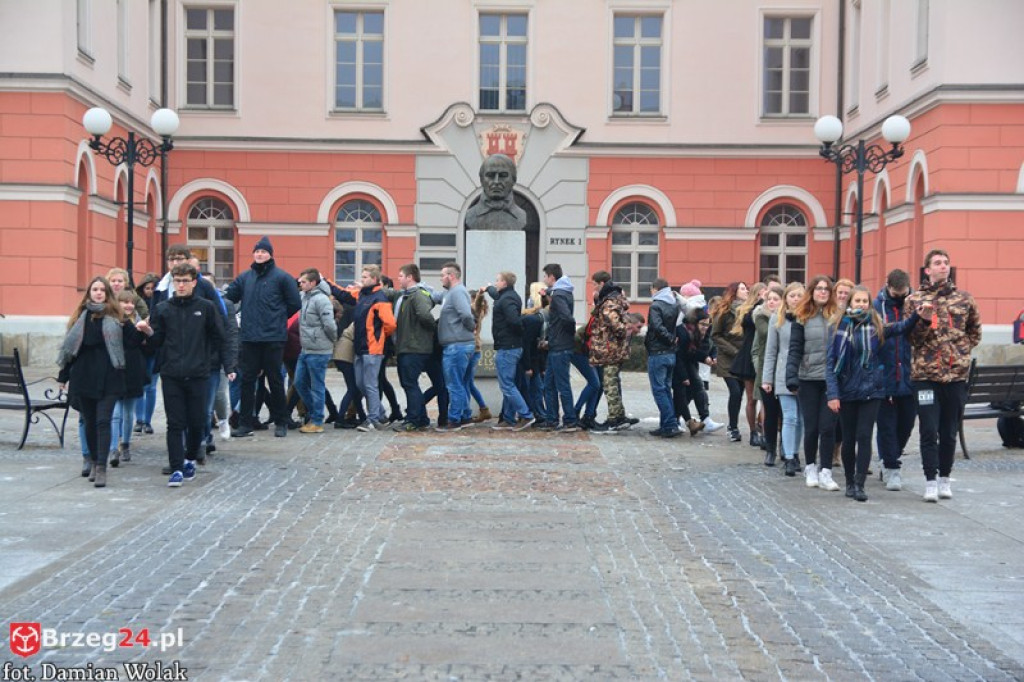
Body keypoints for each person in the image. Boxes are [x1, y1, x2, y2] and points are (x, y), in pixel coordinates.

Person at [138, 263, 235, 487]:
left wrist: (226, 365)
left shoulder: (207, 308)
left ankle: (190, 457)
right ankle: (177, 468)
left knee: (198, 421)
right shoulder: (163, 309)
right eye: (177, 281)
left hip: (199, 373)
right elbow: (156, 343)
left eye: (185, 281)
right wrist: (146, 332)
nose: (181, 285)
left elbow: (220, 338)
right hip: (171, 374)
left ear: (193, 282)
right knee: (175, 423)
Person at [827, 285, 924, 501]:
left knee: (864, 436)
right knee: (849, 438)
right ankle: (850, 482)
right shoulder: (838, 327)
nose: (861, 304)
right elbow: (830, 363)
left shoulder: (876, 326)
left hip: (872, 390)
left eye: (864, 301)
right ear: (850, 303)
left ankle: (860, 484)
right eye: (857, 301)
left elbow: (901, 327)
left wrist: (918, 314)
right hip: (847, 390)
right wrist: (832, 394)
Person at [905, 249, 982, 502]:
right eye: (937, 263)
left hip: (955, 376)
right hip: (925, 376)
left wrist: (960, 351)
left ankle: (944, 479)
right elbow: (912, 339)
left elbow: (975, 333)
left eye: (946, 263)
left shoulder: (965, 299)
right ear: (927, 270)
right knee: (928, 430)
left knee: (949, 431)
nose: (943, 266)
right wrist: (924, 321)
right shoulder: (914, 300)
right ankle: (929, 481)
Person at [57, 277, 132, 488]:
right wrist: (63, 377)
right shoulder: (80, 318)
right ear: (89, 293)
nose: (98, 293)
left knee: (103, 420)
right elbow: (70, 350)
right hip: (84, 375)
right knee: (89, 422)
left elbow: (133, 342)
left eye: (102, 290)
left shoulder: (117, 317)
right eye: (95, 289)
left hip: (110, 375)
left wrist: (134, 326)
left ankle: (101, 467)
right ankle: (91, 459)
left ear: (107, 293)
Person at [224, 236, 301, 438]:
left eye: (263, 252)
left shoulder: (282, 277)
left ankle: (281, 421)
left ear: (270, 254)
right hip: (249, 337)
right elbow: (229, 297)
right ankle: (245, 423)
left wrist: (277, 318)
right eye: (257, 251)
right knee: (248, 381)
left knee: (275, 380)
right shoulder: (245, 278)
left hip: (273, 337)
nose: (260, 254)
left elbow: (294, 304)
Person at [786, 275, 841, 491]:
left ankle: (826, 470)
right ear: (812, 291)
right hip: (807, 379)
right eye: (818, 289)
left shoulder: (837, 316)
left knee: (828, 428)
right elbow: (795, 349)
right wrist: (791, 376)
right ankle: (810, 466)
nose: (822, 292)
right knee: (811, 428)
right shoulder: (801, 317)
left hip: (831, 380)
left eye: (826, 289)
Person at [874, 269, 916, 490]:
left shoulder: (915, 304)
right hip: (885, 375)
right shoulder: (877, 307)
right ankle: (892, 467)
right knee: (886, 426)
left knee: (907, 424)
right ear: (887, 286)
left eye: (904, 292)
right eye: (896, 292)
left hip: (910, 376)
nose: (900, 296)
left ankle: (889, 458)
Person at [390, 263, 441, 432]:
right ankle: (422, 418)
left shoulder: (418, 295)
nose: (398, 279)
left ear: (409, 277)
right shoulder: (405, 295)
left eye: (400, 276)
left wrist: (428, 331)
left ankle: (413, 419)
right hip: (409, 346)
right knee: (410, 384)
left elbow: (425, 315)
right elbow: (390, 293)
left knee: (410, 384)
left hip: (414, 347)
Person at [762, 282, 806, 477]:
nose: (795, 299)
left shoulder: (809, 318)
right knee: (790, 417)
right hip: (783, 374)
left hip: (806, 374)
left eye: (799, 295)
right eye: (792, 295)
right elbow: (771, 351)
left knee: (802, 419)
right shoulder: (776, 319)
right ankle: (788, 456)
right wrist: (767, 378)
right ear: (786, 298)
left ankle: (795, 453)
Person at [484, 271, 535, 430]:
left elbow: (514, 320)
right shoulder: (505, 296)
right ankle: (508, 418)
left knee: (507, 385)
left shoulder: (507, 299)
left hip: (508, 347)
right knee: (509, 384)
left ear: (504, 283)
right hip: (508, 346)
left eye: (497, 280)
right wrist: (488, 288)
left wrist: (518, 333)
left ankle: (526, 416)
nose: (495, 282)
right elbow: (496, 296)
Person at [351, 265, 397, 432]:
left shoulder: (380, 298)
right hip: (360, 347)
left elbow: (391, 324)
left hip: (372, 348)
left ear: (374, 279)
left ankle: (372, 419)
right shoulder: (363, 295)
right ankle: (380, 413)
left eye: (365, 277)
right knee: (360, 383)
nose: (362, 279)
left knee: (370, 384)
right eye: (362, 277)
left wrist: (380, 336)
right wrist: (325, 281)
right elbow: (343, 293)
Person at [434, 262, 477, 431]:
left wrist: (470, 326)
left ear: (451, 276)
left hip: (457, 346)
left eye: (442, 275)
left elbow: (466, 314)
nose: (440, 278)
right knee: (460, 383)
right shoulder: (450, 293)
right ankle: (465, 416)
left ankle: (454, 420)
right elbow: (437, 296)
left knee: (454, 385)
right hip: (458, 345)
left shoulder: (457, 292)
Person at [588, 271, 633, 431]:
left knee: (609, 384)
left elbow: (616, 324)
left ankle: (614, 419)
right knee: (613, 381)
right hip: (615, 349)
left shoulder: (608, 303)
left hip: (609, 349)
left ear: (601, 283)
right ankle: (619, 415)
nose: (593, 287)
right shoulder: (616, 298)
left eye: (595, 284)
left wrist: (618, 334)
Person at [294, 269, 338, 433]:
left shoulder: (321, 300)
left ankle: (317, 420)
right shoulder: (304, 297)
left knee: (317, 386)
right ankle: (314, 414)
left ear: (313, 283)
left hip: (319, 349)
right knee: (299, 383)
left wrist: (331, 340)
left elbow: (330, 325)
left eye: (304, 282)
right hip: (305, 348)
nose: (300, 284)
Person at [108, 289, 148, 467]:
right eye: (124, 302)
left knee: (128, 412)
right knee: (115, 413)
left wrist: (144, 331)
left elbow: (140, 344)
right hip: (115, 370)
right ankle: (112, 448)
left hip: (133, 371)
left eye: (131, 302)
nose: (128, 305)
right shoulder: (111, 320)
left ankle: (125, 444)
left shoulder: (138, 321)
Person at [541, 263, 579, 432]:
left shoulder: (559, 295)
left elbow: (567, 319)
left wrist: (565, 336)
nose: (544, 280)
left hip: (560, 347)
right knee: (548, 384)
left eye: (545, 277)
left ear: (551, 277)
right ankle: (552, 419)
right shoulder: (563, 292)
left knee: (561, 385)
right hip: (556, 346)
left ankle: (570, 420)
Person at [710, 282, 749, 442]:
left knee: (740, 394)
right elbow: (716, 335)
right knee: (735, 392)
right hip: (728, 359)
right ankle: (732, 427)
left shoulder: (749, 310)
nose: (746, 290)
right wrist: (733, 351)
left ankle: (734, 426)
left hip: (743, 358)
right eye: (742, 288)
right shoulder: (724, 311)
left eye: (747, 288)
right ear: (734, 292)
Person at [729, 282, 766, 447]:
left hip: (765, 356)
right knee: (751, 399)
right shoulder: (749, 312)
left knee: (766, 400)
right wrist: (761, 304)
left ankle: (765, 432)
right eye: (764, 293)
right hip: (749, 358)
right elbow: (750, 321)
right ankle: (753, 432)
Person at [752, 284, 784, 465]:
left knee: (787, 414)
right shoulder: (761, 317)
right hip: (767, 369)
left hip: (786, 370)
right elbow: (764, 335)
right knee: (770, 413)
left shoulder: (790, 318)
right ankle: (770, 449)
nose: (771, 302)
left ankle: (785, 449)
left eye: (775, 299)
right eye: (769, 299)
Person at [647, 278, 681, 437]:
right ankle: (666, 424)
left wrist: (668, 338)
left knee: (659, 390)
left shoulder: (656, 305)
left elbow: (656, 327)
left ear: (655, 289)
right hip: (670, 353)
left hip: (658, 352)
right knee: (666, 389)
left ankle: (670, 424)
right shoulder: (674, 304)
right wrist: (672, 341)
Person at [464, 154, 527, 232]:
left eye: (503, 176)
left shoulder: (521, 216)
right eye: (490, 175)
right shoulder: (471, 215)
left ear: (514, 180)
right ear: (481, 180)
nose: (496, 181)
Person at [468, 290, 492, 422]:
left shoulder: (476, 311)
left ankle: (482, 409)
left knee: (467, 383)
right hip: (474, 348)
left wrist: (480, 295)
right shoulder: (478, 312)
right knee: (468, 383)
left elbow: (476, 305)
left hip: (473, 348)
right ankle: (483, 409)